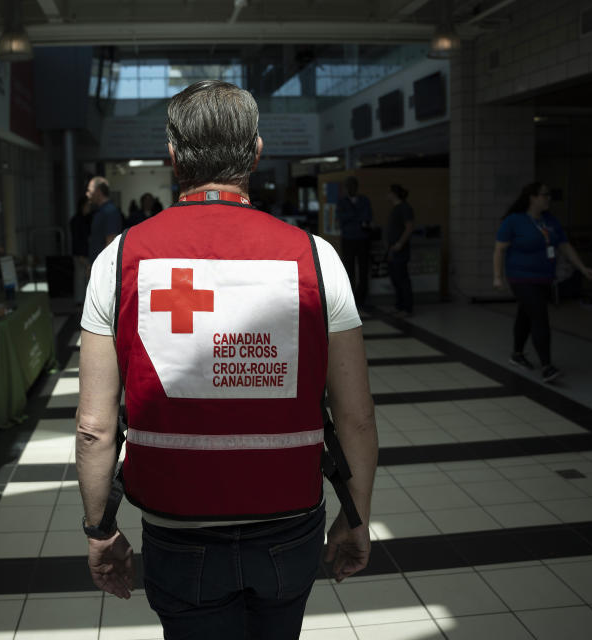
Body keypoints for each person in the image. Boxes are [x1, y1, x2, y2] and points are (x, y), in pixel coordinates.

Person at [77, 80, 377, 640]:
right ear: (257, 152)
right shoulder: (318, 257)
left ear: (172, 156)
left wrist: (100, 528)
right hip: (290, 521)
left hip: (177, 527)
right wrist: (356, 516)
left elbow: (95, 427)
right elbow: (357, 416)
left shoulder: (118, 260)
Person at [494, 182, 592, 383]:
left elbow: (564, 245)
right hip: (521, 277)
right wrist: (497, 276)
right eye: (545, 195)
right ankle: (547, 366)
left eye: (549, 195)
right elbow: (499, 250)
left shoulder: (549, 221)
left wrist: (582, 268)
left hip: (543, 277)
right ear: (532, 197)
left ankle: (517, 354)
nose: (548, 198)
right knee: (539, 316)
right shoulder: (514, 221)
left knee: (526, 314)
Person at [336, 176, 372, 314]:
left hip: (363, 238)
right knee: (348, 270)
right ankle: (351, 302)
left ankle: (361, 300)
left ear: (356, 187)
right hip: (348, 239)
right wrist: (356, 216)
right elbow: (341, 218)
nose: (351, 188)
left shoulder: (364, 200)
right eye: (348, 186)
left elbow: (367, 217)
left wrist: (351, 216)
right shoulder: (342, 202)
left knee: (363, 270)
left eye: (353, 186)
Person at [386, 183, 415, 317]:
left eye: (390, 192)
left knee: (402, 278)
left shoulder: (404, 208)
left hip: (400, 249)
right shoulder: (395, 208)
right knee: (395, 277)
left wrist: (400, 243)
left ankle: (407, 307)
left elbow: (409, 227)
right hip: (393, 248)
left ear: (395, 193)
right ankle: (399, 305)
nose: (388, 195)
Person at [85, 176, 122, 263]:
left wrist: (102, 266)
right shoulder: (101, 211)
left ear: (98, 191)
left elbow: (111, 241)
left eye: (89, 191)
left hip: (103, 266)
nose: (87, 194)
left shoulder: (110, 211)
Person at [70, 196, 94, 305]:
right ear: (83, 206)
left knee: (85, 277)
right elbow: (77, 239)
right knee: (80, 277)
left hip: (86, 251)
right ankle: (80, 300)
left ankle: (84, 300)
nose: (90, 207)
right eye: (88, 205)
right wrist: (80, 255)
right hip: (80, 252)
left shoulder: (88, 219)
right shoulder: (77, 220)